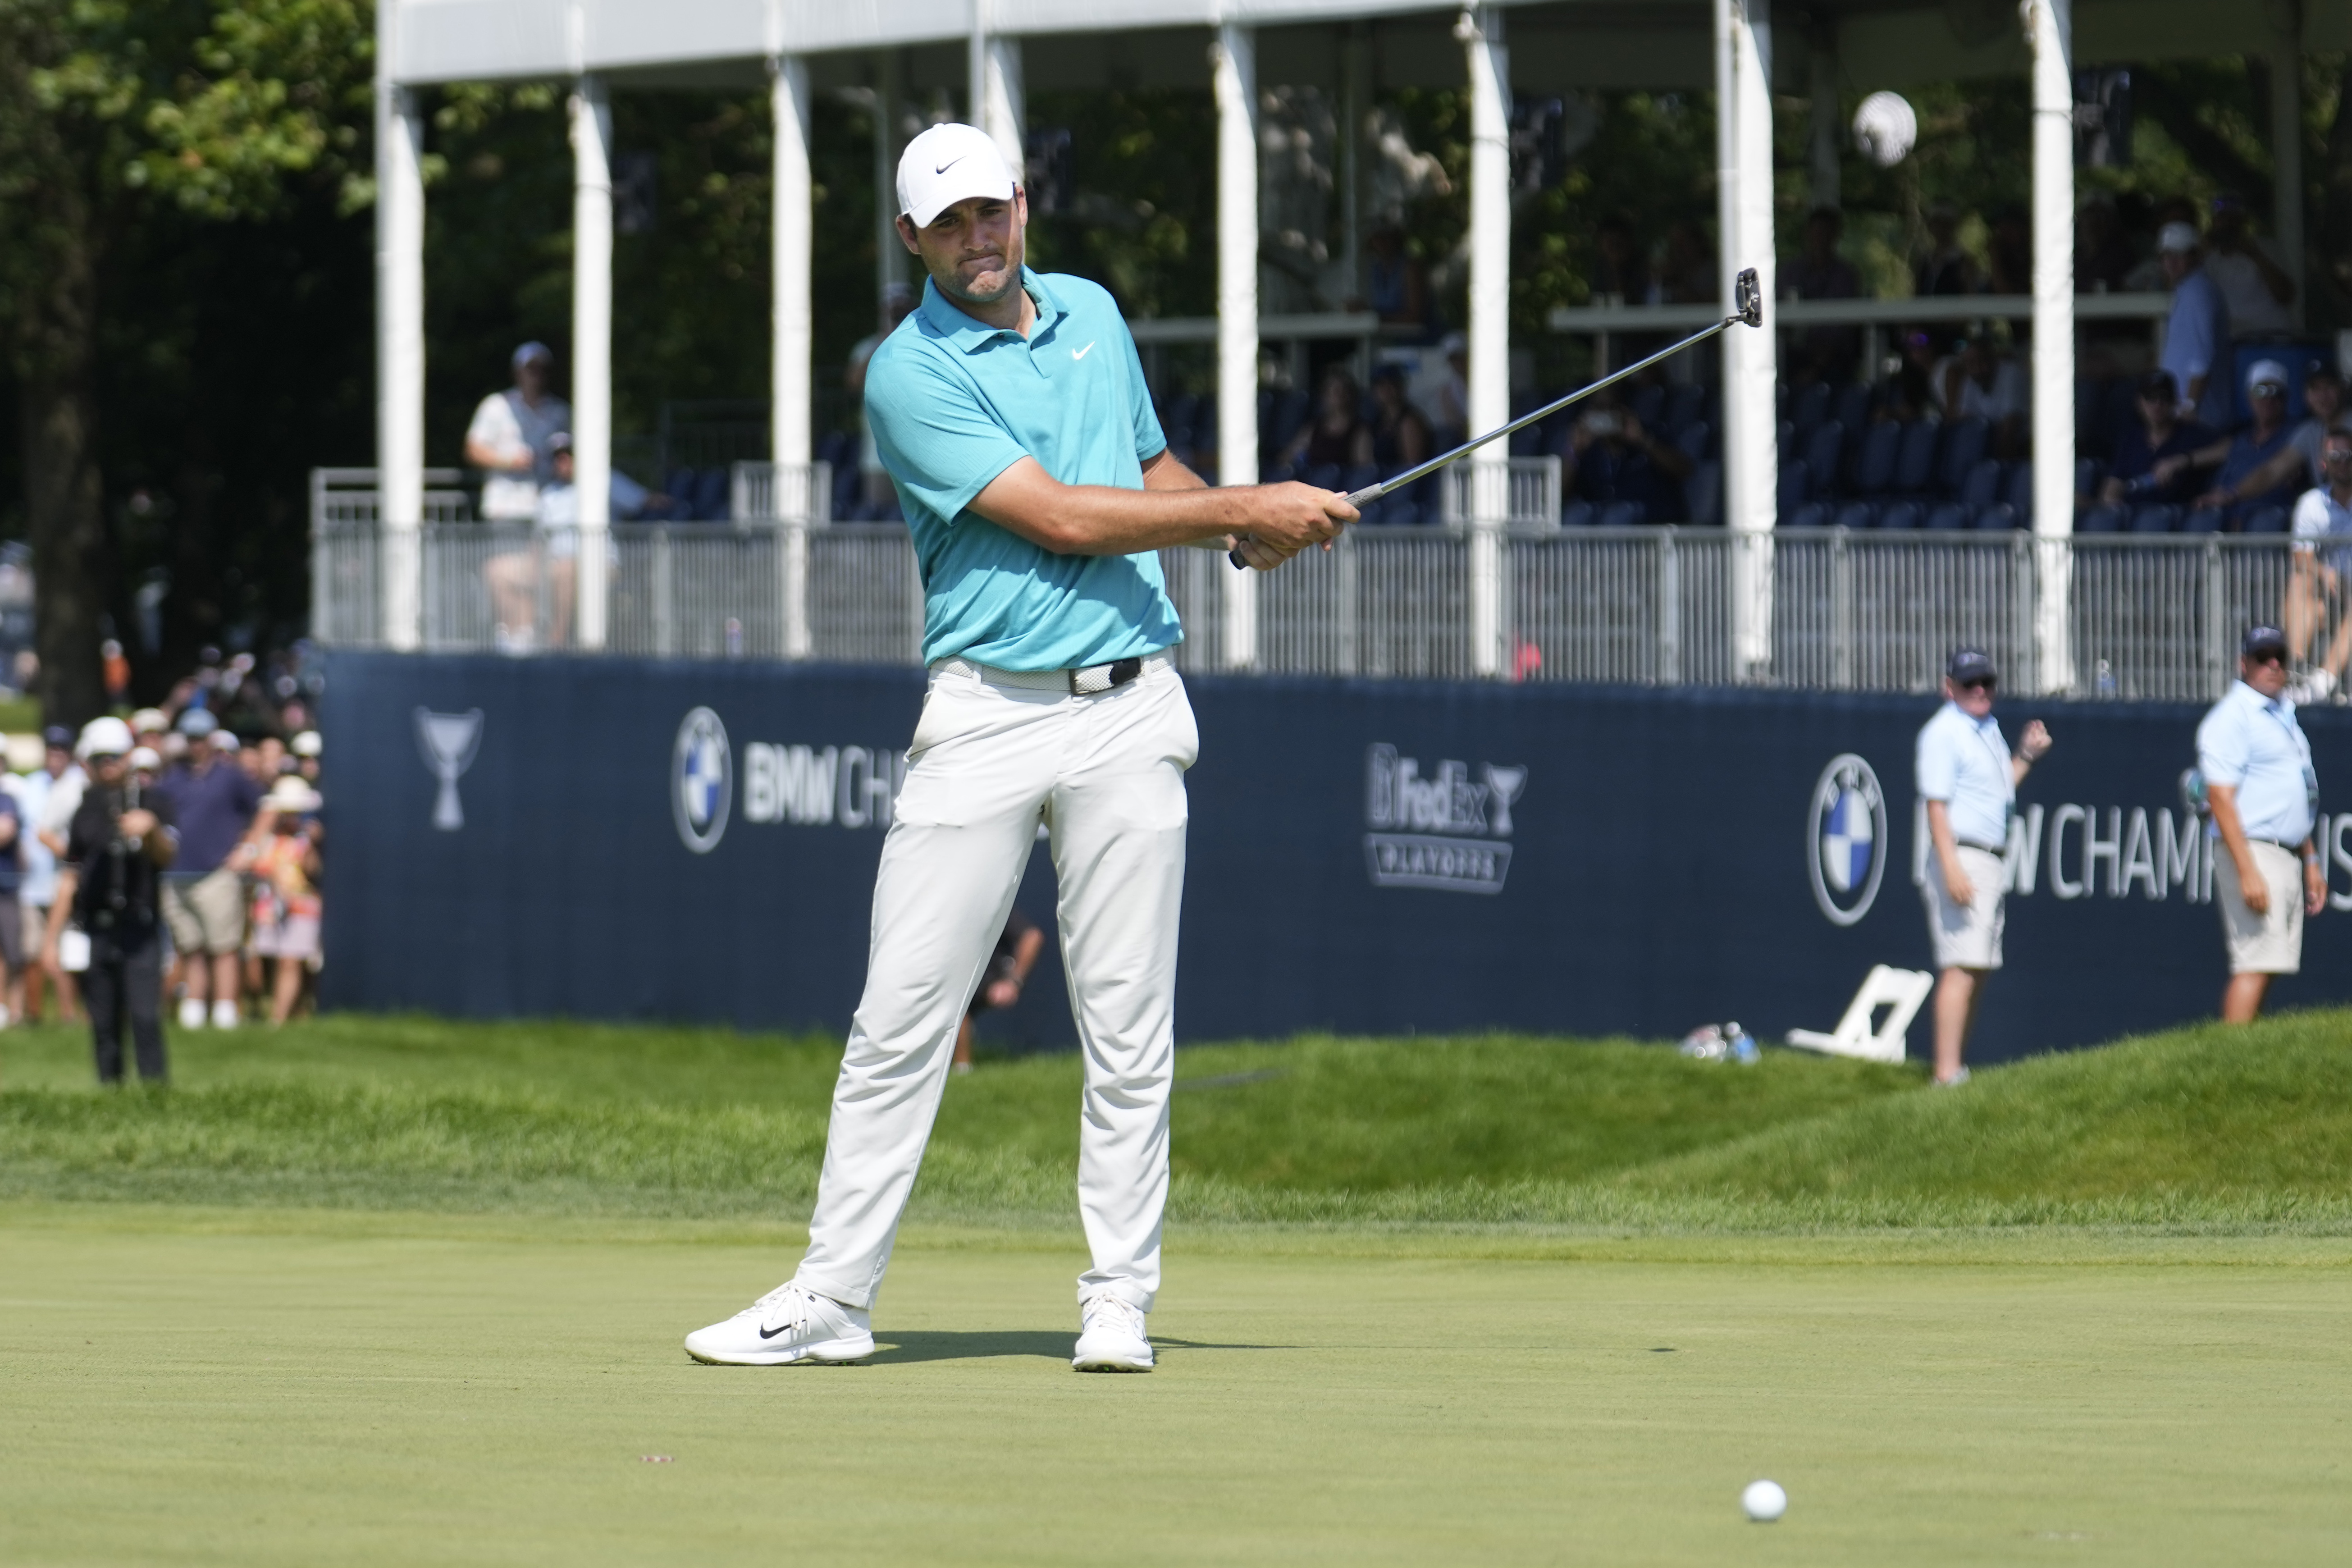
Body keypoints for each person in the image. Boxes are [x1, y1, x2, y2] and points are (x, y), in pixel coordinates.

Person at [680, 120, 1349, 1374]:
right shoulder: (907, 371)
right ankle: (831, 1297)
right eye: (948, 223)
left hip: (1129, 704)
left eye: (991, 212)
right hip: (986, 710)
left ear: (1022, 206)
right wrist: (1236, 510)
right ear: (911, 239)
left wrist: (1235, 523)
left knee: (1128, 1024)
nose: (976, 238)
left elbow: (1143, 465)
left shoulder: (1092, 310)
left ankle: (1117, 1301)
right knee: (902, 1014)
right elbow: (1056, 514)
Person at [1915, 648, 2053, 1086]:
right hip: (1961, 856)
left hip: (1988, 858)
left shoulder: (1986, 728)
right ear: (1947, 687)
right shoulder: (1943, 732)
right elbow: (1935, 808)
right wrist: (1951, 866)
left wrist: (2026, 756)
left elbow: (1996, 794)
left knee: (1977, 965)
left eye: (1985, 683)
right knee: (1960, 965)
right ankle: (1945, 1072)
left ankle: (1955, 1066)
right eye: (1968, 683)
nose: (1978, 691)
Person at [2197, 626, 2325, 1024]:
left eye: (2279, 657)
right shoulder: (2232, 717)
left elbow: (2295, 792)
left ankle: (2245, 1052)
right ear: (2243, 664)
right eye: (2262, 657)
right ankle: (2230, 1062)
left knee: (2272, 961)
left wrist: (2311, 860)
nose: (2273, 665)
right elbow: (2220, 798)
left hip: (2285, 850)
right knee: (2254, 961)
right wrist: (2247, 870)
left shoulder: (2282, 714)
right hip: (2253, 849)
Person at [45, 718, 178, 1084]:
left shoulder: (153, 802)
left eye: (115, 757)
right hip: (98, 926)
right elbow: (71, 874)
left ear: (128, 758)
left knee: (145, 1017)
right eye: (100, 757)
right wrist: (51, 938)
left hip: (140, 923)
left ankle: (155, 1091)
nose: (108, 764)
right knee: (103, 1022)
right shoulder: (84, 810)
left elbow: (167, 857)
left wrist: (150, 830)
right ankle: (111, 1093)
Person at [153, 708, 268, 1029]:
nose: (196, 745)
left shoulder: (231, 776)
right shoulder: (172, 777)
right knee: (191, 948)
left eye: (201, 738)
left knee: (224, 947)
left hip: (218, 873)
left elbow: (264, 808)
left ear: (212, 740)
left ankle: (225, 1013)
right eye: (191, 738)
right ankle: (194, 1012)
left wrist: (249, 848)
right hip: (177, 874)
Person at [9, 725, 79, 1024]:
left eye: (62, 749)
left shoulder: (79, 784)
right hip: (30, 883)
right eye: (52, 749)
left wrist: (64, 851)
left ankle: (69, 1015)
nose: (56, 754)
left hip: (65, 882)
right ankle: (32, 1015)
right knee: (31, 954)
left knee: (62, 955)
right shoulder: (31, 784)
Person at [242, 776, 323, 1026]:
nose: (290, 817)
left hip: (300, 907)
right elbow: (249, 863)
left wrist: (313, 846)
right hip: (268, 908)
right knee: (264, 963)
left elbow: (314, 872)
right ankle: (280, 1009)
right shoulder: (267, 838)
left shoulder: (309, 838)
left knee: (291, 962)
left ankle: (278, 1019)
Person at [2186, 361, 2302, 528]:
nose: (2268, 399)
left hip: (2269, 518)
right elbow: (2218, 477)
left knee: (2265, 521)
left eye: (2275, 392)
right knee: (2202, 516)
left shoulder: (2296, 435)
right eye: (2260, 391)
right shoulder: (2241, 439)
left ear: (2286, 397)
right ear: (2249, 397)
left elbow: (2274, 475)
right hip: (2228, 515)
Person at [466, 342, 571, 523]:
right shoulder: (496, 406)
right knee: (508, 553)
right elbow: (473, 450)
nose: (537, 374)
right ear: (517, 372)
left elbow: (571, 454)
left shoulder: (560, 411)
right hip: (506, 507)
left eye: (542, 368)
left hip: (551, 507)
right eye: (531, 368)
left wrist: (564, 464)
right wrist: (509, 462)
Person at [2286, 430, 2352, 700]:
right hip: (2331, 588)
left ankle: (2323, 682)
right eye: (2335, 456)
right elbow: (2302, 556)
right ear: (2322, 462)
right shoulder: (2311, 504)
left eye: (2348, 455)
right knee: (2301, 581)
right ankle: (2297, 671)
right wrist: (2324, 573)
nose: (2342, 462)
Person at [1560, 388, 1692, 522]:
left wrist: (1643, 440)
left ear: (1623, 410)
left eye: (1611, 408)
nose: (1605, 414)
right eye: (1599, 409)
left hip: (1654, 522)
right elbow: (1561, 495)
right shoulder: (1590, 451)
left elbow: (1684, 470)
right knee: (1576, 514)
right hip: (1608, 526)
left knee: (1618, 515)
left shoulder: (1651, 435)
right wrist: (1574, 452)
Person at [2095, 370, 2215, 512]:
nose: (2157, 404)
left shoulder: (2190, 433)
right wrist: (2111, 498)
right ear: (2139, 402)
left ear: (2174, 401)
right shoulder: (2131, 439)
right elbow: (2115, 481)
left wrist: (2183, 461)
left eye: (2164, 397)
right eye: (2150, 397)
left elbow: (2228, 447)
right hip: (2134, 519)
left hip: (2178, 520)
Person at [2157, 221, 2232, 430]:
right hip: (2184, 413)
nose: (2171, 262)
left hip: (2198, 418)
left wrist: (2189, 406)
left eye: (2179, 255)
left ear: (2196, 256)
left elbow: (2202, 356)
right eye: (2166, 255)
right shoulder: (2187, 290)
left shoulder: (2198, 292)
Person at [953, 908, 1042, 1073]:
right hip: (949, 977)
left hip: (989, 977)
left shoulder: (988, 905)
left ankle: (962, 1070)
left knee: (955, 1003)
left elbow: (1032, 937)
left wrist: (1013, 982)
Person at [2202, 192, 2296, 338]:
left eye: (2233, 219)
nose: (2227, 224)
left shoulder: (2266, 247)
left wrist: (2255, 254)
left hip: (2269, 336)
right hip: (2229, 339)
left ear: (2243, 222)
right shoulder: (2207, 258)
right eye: (2222, 218)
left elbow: (2287, 296)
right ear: (2214, 222)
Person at [1784, 207, 1861, 385]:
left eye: (1826, 233)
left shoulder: (1846, 275)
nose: (1820, 239)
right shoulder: (1790, 272)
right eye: (1816, 232)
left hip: (1834, 357)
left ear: (1836, 236)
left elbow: (1843, 327)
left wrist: (1818, 364)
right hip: (1793, 353)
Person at [1938, 331, 2029, 459]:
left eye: (1983, 360)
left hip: (2024, 449)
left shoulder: (2011, 373)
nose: (1978, 368)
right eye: (1971, 363)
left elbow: (2011, 427)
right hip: (1987, 448)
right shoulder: (1971, 380)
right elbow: (1964, 422)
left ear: (1993, 358)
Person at [1281, 367, 1371, 474]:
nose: (1339, 396)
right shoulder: (1313, 429)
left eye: (1344, 391)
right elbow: (1287, 458)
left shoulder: (1360, 431)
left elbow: (1364, 470)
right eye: (1334, 391)